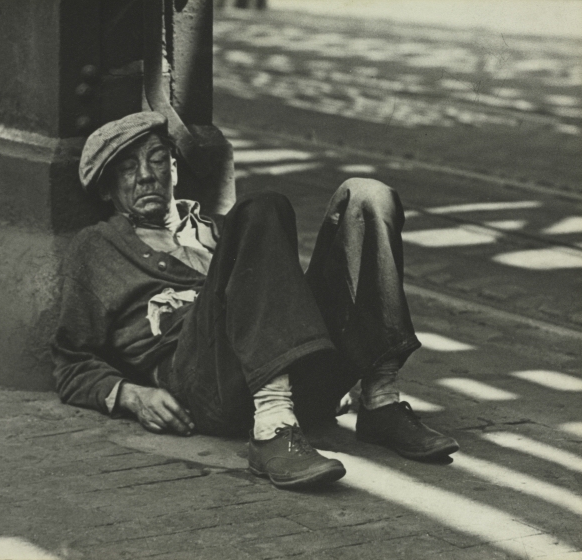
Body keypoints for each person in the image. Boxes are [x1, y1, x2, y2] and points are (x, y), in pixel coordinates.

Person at [51, 112, 459, 490]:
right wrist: (132, 396)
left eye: (157, 159)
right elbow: (71, 363)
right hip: (207, 384)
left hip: (292, 374)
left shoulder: (218, 228)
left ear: (174, 168)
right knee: (262, 206)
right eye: (126, 169)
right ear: (107, 190)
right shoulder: (98, 248)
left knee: (367, 196)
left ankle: (380, 401)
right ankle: (272, 431)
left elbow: (278, 303)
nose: (145, 176)